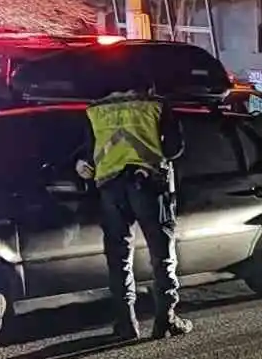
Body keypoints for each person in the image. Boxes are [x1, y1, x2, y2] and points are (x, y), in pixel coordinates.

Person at [76, 87, 191, 340]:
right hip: (148, 184)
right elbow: (174, 147)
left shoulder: (95, 108)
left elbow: (88, 153)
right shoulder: (156, 104)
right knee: (161, 255)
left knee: (118, 258)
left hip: (110, 187)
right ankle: (165, 319)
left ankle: (126, 323)